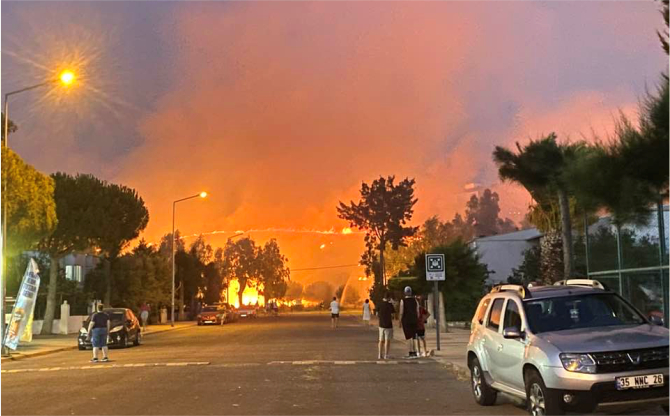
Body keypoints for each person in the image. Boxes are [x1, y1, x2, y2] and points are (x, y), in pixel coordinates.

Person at [399, 286, 420, 358]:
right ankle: (415, 351)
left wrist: (399, 320)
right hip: (414, 320)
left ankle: (410, 351)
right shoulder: (415, 300)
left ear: (405, 293)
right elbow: (417, 311)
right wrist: (417, 319)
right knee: (414, 336)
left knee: (408, 337)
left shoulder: (403, 301)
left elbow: (401, 312)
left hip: (406, 321)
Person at [377, 292, 395, 360]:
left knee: (380, 340)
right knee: (387, 340)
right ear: (389, 298)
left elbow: (377, 313)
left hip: (381, 324)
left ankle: (379, 354)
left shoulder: (379, 304)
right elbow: (393, 315)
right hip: (388, 325)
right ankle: (386, 355)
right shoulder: (390, 305)